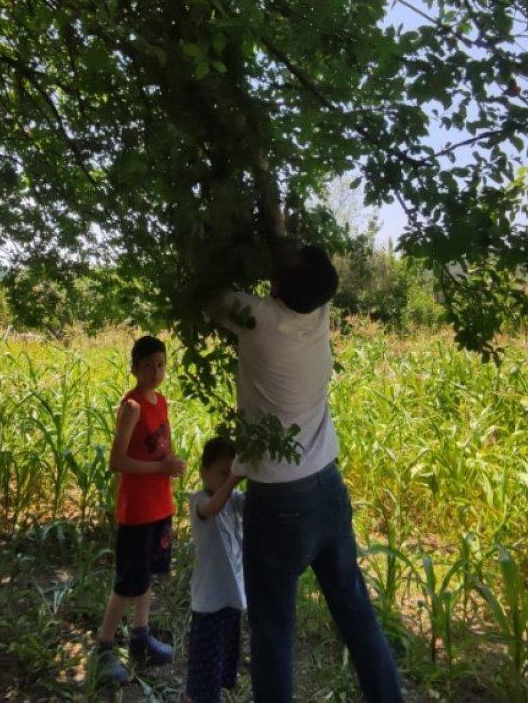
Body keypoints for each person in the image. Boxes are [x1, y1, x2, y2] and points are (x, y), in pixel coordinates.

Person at [207, 228, 402, 702]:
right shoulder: (317, 312)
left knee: (273, 633)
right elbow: (303, 273)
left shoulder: (259, 319)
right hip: (327, 488)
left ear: (280, 285)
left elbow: (209, 296)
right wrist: (284, 258)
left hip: (278, 503)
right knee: (356, 612)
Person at [92, 335, 186, 685]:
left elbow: (162, 446)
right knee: (128, 582)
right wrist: (161, 468)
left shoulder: (161, 401)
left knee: (147, 575)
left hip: (160, 505)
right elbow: (117, 461)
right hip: (137, 509)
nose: (155, 371)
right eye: (148, 365)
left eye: (161, 364)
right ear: (134, 368)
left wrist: (171, 465)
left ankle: (140, 637)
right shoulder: (131, 406)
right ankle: (103, 648)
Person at [186, 437, 246, 703]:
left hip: (232, 598)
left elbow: (255, 505)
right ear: (203, 472)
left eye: (231, 473)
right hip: (209, 602)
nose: (228, 479)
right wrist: (234, 481)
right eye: (223, 473)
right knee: (205, 668)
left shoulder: (234, 499)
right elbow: (211, 509)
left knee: (221, 664)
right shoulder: (198, 501)